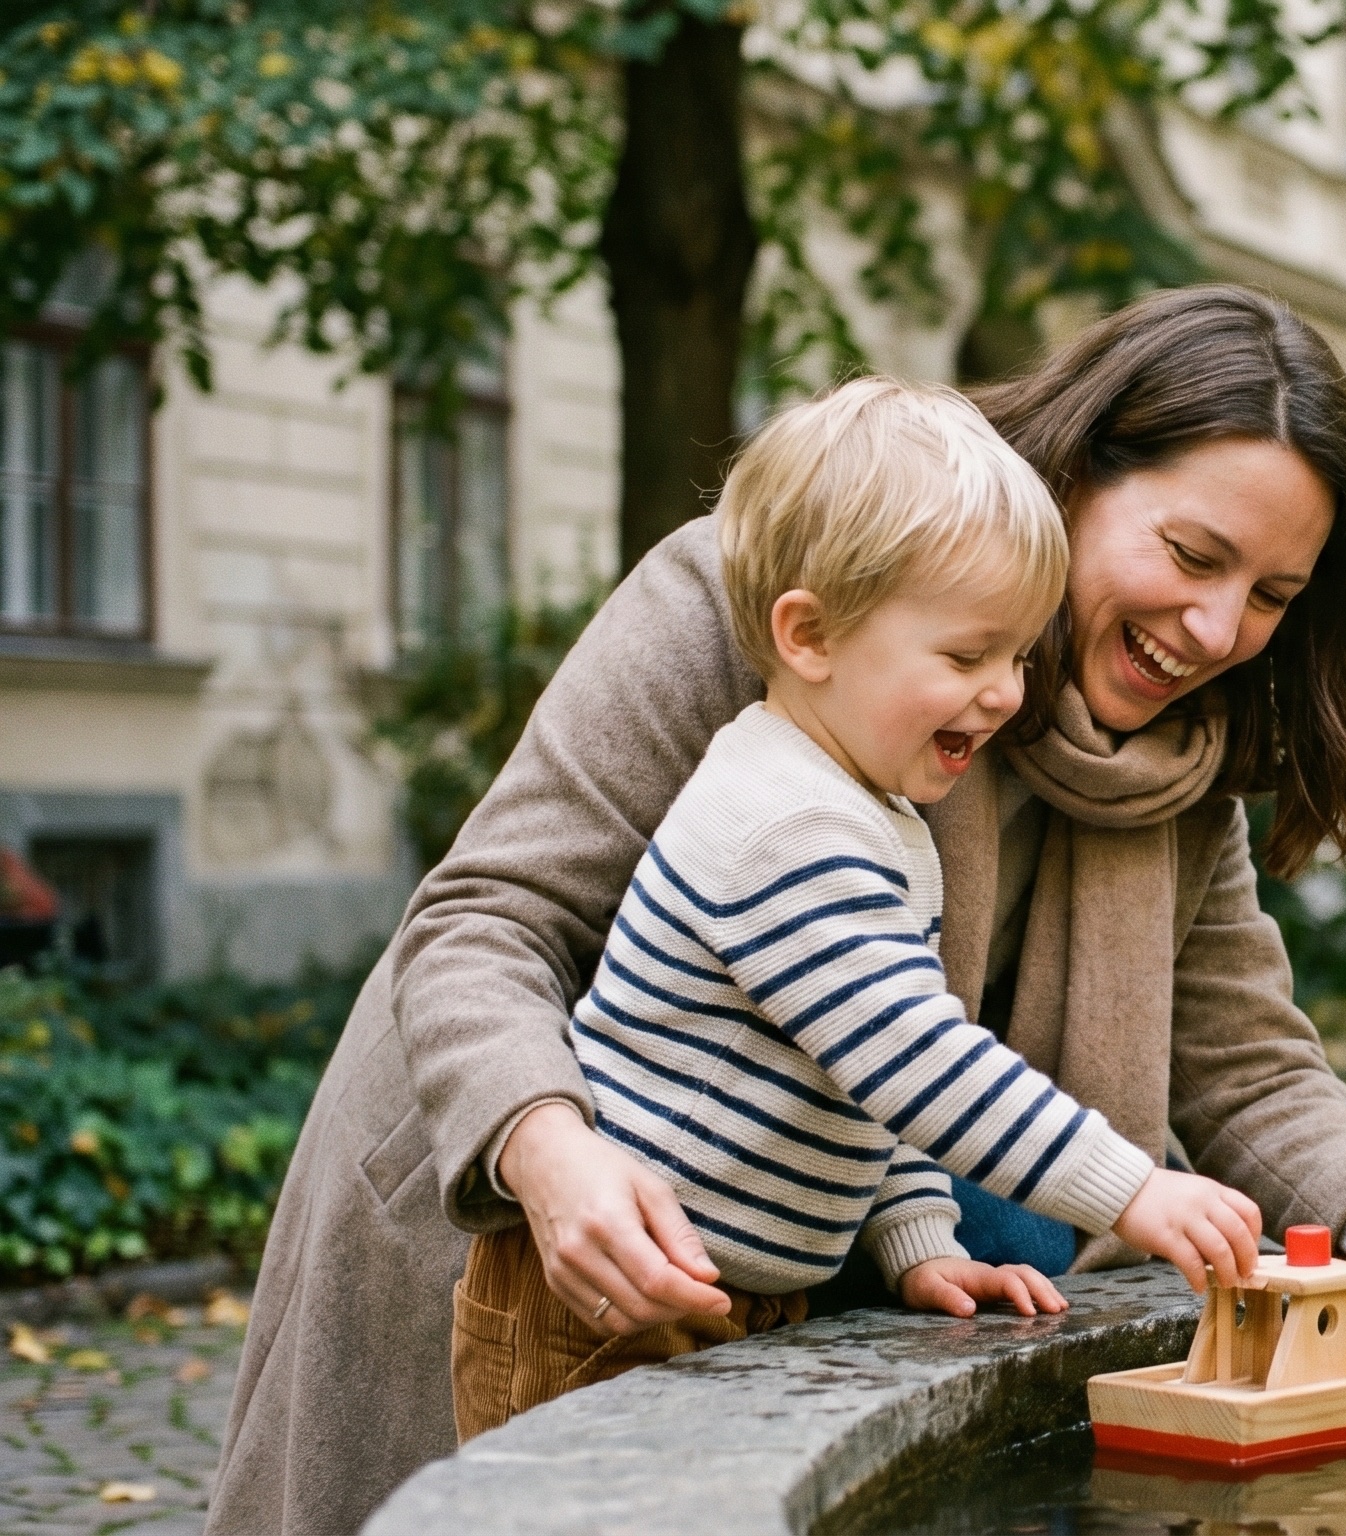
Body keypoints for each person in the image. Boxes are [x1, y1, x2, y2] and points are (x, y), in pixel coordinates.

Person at [211, 285, 1346, 1536]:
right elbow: (486, 919)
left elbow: (1245, 1064)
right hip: (505, 1219)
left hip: (774, 1274)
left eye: (1270, 595)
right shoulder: (781, 593)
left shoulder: (1179, 763)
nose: (1216, 631)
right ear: (1081, 470)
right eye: (1191, 554)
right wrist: (548, 1148)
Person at [448, 377, 1266, 1437]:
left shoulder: (871, 812)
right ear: (810, 636)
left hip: (717, 1286)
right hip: (603, 1301)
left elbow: (862, 1085)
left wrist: (921, 1244)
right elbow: (917, 1060)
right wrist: (1131, 1191)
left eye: (1019, 656)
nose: (1006, 694)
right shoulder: (785, 825)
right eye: (968, 656)